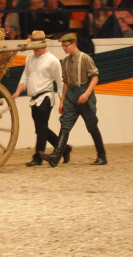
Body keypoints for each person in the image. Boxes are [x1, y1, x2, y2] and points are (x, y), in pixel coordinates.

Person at [41, 33, 107, 167]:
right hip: (71, 94)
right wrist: (63, 99)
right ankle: (56, 155)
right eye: (63, 46)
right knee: (65, 123)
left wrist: (87, 93)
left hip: (84, 91)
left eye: (66, 46)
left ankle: (101, 155)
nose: (64, 48)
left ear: (74, 44)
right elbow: (65, 82)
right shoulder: (65, 62)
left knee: (91, 124)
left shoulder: (85, 58)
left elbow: (95, 77)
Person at [12, 31, 69, 166]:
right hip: (33, 99)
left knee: (41, 128)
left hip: (45, 97)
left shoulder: (53, 61)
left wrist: (62, 101)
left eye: (36, 45)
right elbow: (25, 77)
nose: (34, 48)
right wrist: (18, 91)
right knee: (40, 129)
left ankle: (38, 156)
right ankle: (64, 149)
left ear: (43, 44)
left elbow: (60, 82)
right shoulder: (29, 59)